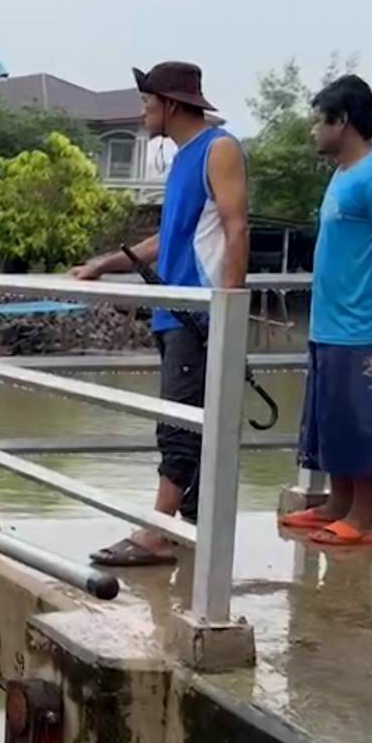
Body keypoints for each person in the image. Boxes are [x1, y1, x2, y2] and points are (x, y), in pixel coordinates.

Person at [70, 62, 249, 567]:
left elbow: (237, 228)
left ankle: (157, 530)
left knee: (178, 421)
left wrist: (229, 310)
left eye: (148, 104)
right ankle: (185, 518)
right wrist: (105, 263)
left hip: (200, 314)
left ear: (170, 104)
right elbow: (166, 239)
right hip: (175, 313)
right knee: (187, 417)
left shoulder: (219, 148)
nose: (143, 113)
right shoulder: (183, 161)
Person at [279, 76, 372, 545]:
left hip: (370, 326)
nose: (314, 129)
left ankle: (364, 516)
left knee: (365, 421)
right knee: (333, 419)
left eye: (320, 120)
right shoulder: (342, 175)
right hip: (332, 324)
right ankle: (337, 502)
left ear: (343, 121)